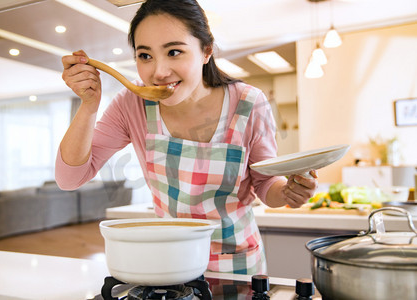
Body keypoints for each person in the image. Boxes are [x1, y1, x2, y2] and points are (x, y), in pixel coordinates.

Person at [56, 0, 317, 275]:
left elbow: (266, 186)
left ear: (206, 51)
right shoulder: (131, 105)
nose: (158, 72)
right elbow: (70, 178)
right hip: (170, 263)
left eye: (174, 52)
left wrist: (288, 192)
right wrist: (88, 105)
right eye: (145, 56)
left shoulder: (248, 103)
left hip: (238, 264)